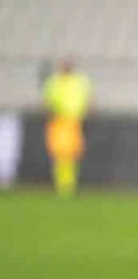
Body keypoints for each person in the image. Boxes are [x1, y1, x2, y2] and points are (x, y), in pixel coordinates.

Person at [42, 58, 92, 197]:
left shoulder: (79, 81)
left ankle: (69, 184)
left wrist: (86, 114)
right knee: (60, 154)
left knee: (72, 154)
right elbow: (48, 102)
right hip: (59, 121)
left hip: (75, 121)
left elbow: (87, 100)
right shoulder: (54, 82)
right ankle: (62, 185)